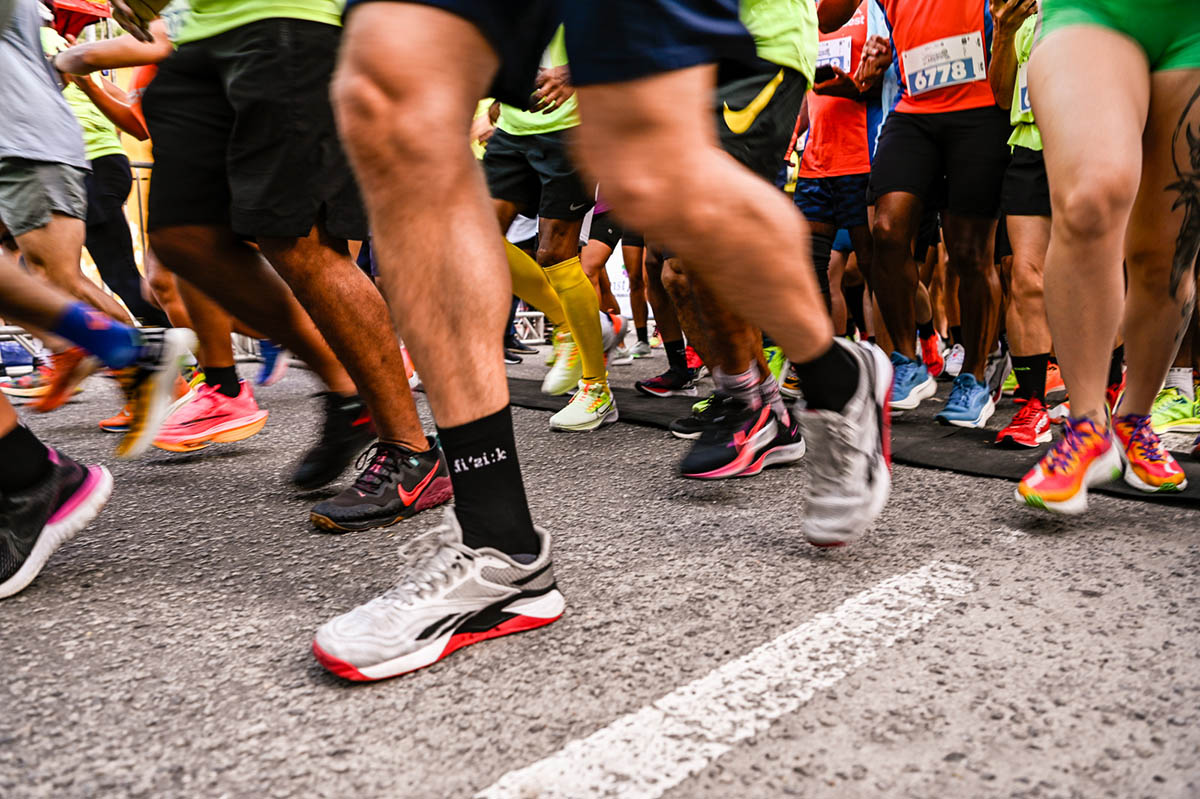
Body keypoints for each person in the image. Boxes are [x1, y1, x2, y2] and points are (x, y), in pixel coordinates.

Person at [1017, 0, 1200, 511]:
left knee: (1168, 253)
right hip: (1091, 11)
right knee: (1089, 199)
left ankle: (1134, 418)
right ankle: (1086, 424)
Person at [864, 0, 1009, 428]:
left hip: (980, 110)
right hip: (914, 111)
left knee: (969, 253)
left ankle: (975, 377)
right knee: (885, 230)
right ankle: (907, 361)